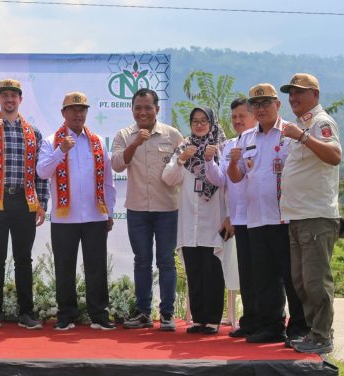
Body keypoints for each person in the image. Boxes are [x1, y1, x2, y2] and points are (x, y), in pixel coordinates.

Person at [227, 83, 308, 344]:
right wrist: (232, 161)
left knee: (290, 275)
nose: (260, 109)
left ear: (277, 105)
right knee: (263, 277)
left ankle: (298, 327)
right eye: (256, 104)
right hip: (255, 218)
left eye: (266, 103)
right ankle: (271, 326)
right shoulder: (246, 137)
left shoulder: (289, 133)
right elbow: (237, 177)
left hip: (284, 216)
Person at [0, 79, 48, 330]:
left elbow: (40, 172)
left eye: (13, 95)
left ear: (20, 99)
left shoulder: (33, 132)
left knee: (24, 258)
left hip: (25, 202)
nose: (9, 99)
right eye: (4, 95)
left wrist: (42, 202)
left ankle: (27, 312)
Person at [37, 92, 116, 330]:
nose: (77, 113)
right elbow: (41, 172)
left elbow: (108, 181)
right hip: (64, 217)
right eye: (72, 109)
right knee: (64, 266)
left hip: (95, 214)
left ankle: (99, 315)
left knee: (96, 266)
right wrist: (61, 150)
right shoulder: (52, 141)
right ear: (63, 113)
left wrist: (110, 212)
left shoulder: (98, 141)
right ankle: (66, 315)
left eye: (82, 109)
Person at [111, 88, 183, 331]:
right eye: (138, 108)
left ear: (157, 109)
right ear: (132, 110)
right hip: (137, 209)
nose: (142, 112)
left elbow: (183, 168)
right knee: (142, 261)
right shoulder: (123, 135)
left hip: (167, 209)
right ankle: (143, 312)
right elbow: (118, 165)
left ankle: (167, 314)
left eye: (147, 108)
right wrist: (135, 143)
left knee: (166, 262)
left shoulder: (172, 135)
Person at [279, 73, 341, 354]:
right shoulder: (301, 125)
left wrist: (303, 137)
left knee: (316, 281)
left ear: (315, 95)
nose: (293, 97)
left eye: (299, 93)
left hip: (317, 216)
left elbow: (334, 156)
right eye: (290, 93)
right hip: (298, 215)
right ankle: (314, 333)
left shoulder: (321, 123)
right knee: (301, 281)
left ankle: (322, 337)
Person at [162, 106, 227, 334]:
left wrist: (210, 160)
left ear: (211, 123)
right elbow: (168, 178)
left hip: (213, 219)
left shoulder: (221, 147)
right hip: (190, 221)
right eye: (195, 121)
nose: (199, 125)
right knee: (194, 270)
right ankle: (198, 319)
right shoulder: (184, 148)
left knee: (212, 271)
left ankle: (212, 320)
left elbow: (224, 182)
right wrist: (181, 159)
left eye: (203, 121)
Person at [204, 98, 258, 337]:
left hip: (261, 216)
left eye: (241, 116)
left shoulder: (261, 141)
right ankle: (250, 321)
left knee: (263, 272)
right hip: (238, 218)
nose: (237, 120)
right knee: (246, 272)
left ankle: (270, 320)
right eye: (234, 116)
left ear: (254, 116)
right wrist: (208, 162)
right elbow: (221, 181)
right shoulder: (229, 145)